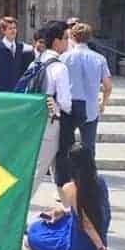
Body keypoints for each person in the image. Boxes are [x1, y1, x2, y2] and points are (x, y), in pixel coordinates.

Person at [27, 144, 112, 250]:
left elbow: (86, 222)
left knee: (33, 235)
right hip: (99, 238)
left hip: (81, 240)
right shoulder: (101, 181)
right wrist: (62, 211)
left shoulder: (70, 188)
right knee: (39, 227)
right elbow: (101, 213)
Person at [60, 23, 112, 164]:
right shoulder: (99, 58)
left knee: (66, 143)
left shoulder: (64, 58)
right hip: (90, 106)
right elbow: (107, 86)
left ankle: (67, 172)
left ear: (72, 36)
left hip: (69, 106)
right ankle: (88, 174)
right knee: (88, 146)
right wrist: (103, 102)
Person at [32, 20, 72, 196]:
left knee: (60, 172)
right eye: (66, 38)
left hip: (35, 119)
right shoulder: (59, 67)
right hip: (52, 122)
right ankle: (13, 212)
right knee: (38, 172)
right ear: (56, 41)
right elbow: (66, 103)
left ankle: (69, 211)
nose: (68, 42)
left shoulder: (36, 62)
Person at [0, 16, 34, 92]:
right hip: (0, 95)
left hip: (16, 95)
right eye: (10, 28)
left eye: (14, 28)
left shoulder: (22, 47)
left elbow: (36, 48)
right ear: (3, 31)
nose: (13, 31)